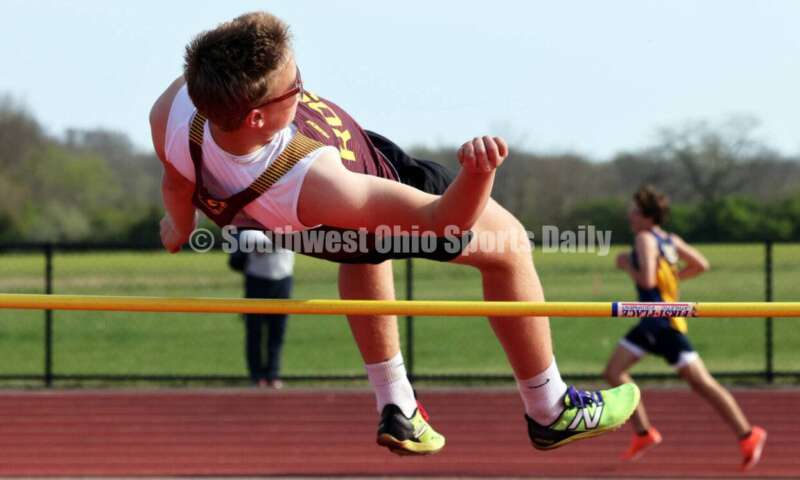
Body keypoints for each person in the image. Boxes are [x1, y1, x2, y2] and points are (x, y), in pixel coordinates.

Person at [149, 11, 640, 456]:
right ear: (256, 117)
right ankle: (550, 407)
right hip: (360, 194)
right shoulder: (315, 181)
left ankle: (398, 407)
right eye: (294, 86)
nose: (302, 87)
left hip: (303, 222)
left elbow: (176, 178)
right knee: (509, 246)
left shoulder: (176, 108)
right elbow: (443, 223)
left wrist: (181, 227)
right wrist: (479, 173)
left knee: (362, 251)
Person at [603, 185, 767, 470]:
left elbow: (646, 282)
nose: (629, 215)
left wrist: (625, 264)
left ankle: (748, 433)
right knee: (614, 372)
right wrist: (675, 279)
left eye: (633, 210)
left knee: (701, 382)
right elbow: (701, 264)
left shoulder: (643, 239)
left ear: (645, 214)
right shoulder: (669, 239)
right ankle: (644, 433)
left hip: (659, 321)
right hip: (656, 318)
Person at [231, 232, 294, 389]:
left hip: (283, 277)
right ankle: (256, 375)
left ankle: (273, 374)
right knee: (254, 330)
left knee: (277, 330)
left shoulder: (288, 222)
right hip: (256, 279)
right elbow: (242, 237)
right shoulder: (255, 221)